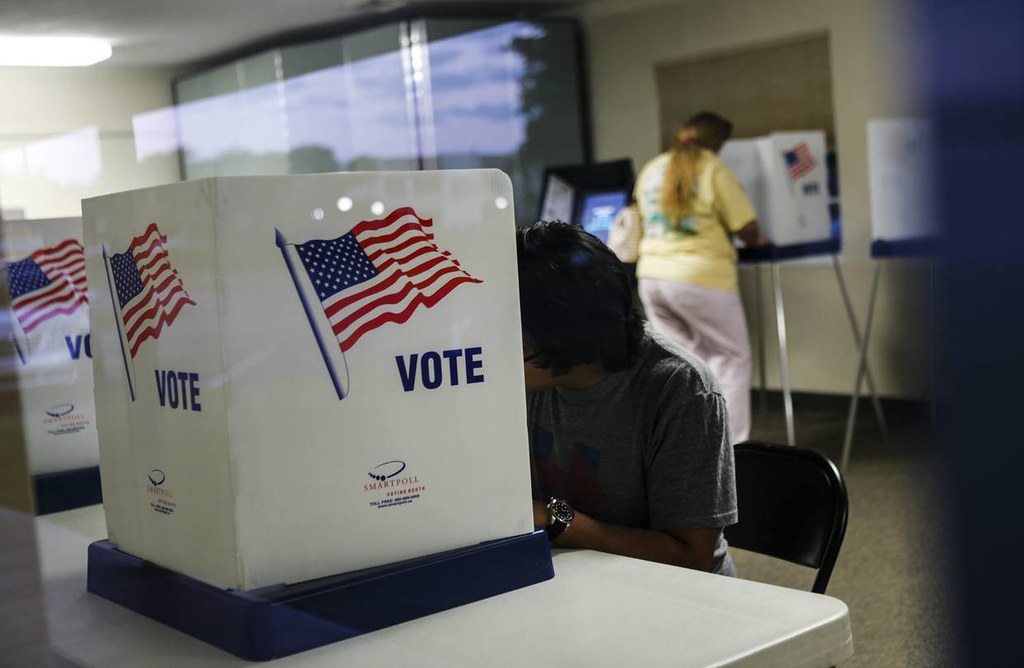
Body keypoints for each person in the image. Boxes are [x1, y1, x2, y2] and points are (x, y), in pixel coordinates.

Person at [517, 220, 737, 575]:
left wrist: (553, 518)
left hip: (677, 597)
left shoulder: (679, 388)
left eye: (513, 332)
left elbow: (691, 557)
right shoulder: (532, 378)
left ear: (560, 334)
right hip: (578, 579)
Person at [634, 111, 768, 443]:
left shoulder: (653, 168)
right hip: (699, 278)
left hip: (652, 277)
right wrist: (759, 240)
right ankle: (733, 451)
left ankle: (683, 443)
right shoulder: (712, 167)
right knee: (731, 358)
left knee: (681, 366)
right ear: (718, 143)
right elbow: (745, 226)